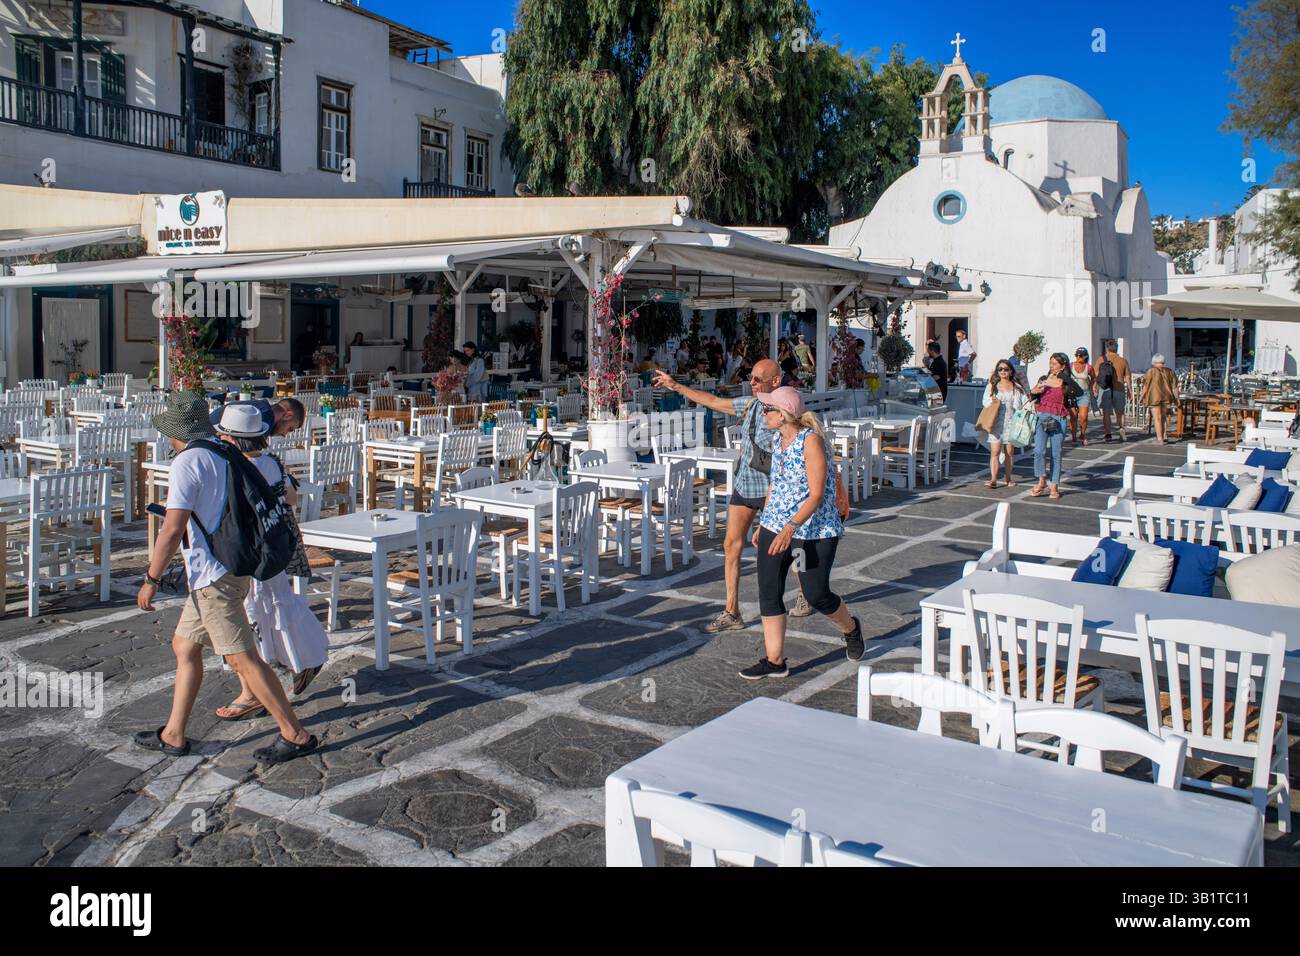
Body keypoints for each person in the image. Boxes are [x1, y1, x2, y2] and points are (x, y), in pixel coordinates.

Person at [134, 392, 317, 764]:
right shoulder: (222, 452)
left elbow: (172, 529)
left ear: (176, 432)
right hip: (223, 570)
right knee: (184, 647)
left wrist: (151, 578)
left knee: (242, 659)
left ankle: (295, 734)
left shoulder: (188, 461)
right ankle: (173, 734)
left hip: (214, 574)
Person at [653, 359, 819, 628]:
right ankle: (732, 611)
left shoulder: (785, 409)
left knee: (790, 545)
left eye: (757, 379)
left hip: (775, 490)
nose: (750, 383)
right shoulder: (752, 404)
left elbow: (801, 446)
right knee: (731, 545)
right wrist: (676, 387)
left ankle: (806, 593)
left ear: (776, 381)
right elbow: (714, 402)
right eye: (750, 377)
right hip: (746, 484)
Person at [210, 406, 328, 720]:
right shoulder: (272, 462)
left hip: (250, 551)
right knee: (276, 604)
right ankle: (302, 660)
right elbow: (290, 498)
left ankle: (255, 692)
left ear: (232, 438)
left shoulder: (235, 467)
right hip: (274, 548)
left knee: (251, 613)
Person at [742, 387, 862, 678]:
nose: (764, 414)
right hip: (776, 524)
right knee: (769, 591)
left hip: (812, 530)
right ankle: (774, 661)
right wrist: (764, 522)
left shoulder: (811, 442)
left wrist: (790, 528)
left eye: (768, 410)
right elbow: (776, 485)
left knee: (816, 593)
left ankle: (851, 628)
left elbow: (817, 494)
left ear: (783, 414)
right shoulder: (777, 440)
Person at [1029, 352, 1080, 500]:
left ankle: (1055, 485)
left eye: (1054, 364)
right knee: (1038, 450)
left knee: (1055, 453)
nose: (1051, 366)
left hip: (1059, 417)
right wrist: (1033, 392)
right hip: (1042, 416)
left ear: (1062, 366)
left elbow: (1078, 391)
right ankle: (1042, 480)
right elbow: (1033, 395)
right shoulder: (1044, 379)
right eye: (1050, 363)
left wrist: (1063, 376)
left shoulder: (1065, 382)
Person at [982, 359, 1029, 488]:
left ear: (1010, 371)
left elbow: (1025, 402)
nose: (1003, 371)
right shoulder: (992, 385)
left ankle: (1008, 478)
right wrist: (992, 401)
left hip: (1011, 422)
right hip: (996, 422)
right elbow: (985, 401)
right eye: (1000, 369)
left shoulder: (1016, 387)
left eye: (1006, 369)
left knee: (1009, 452)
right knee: (995, 452)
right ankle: (993, 479)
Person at [208, 396, 305, 438]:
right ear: (288, 415)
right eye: (290, 429)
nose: (285, 434)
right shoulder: (264, 418)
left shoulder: (261, 407)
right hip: (207, 441)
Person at [1139, 353, 1179, 444]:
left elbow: (1146, 386)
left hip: (1154, 397)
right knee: (1163, 417)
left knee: (1157, 417)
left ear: (1153, 362)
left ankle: (1159, 438)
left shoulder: (1151, 371)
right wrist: (1177, 398)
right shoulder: (1170, 371)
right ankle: (1164, 435)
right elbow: (1175, 387)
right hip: (1166, 396)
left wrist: (1141, 397)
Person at [1097, 338, 1131, 442]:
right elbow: (1128, 378)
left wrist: (1094, 387)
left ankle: (1108, 434)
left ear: (1107, 348)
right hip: (1119, 389)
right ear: (1116, 348)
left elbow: (1096, 374)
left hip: (1105, 389)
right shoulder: (1123, 361)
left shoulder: (1101, 359)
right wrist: (1129, 390)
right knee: (1120, 412)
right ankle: (1121, 429)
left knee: (1106, 413)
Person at [1068, 347, 1097, 446]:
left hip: (1084, 393)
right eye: (1076, 355)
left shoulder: (1089, 367)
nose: (1078, 357)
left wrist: (1091, 387)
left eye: (1080, 355)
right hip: (1072, 394)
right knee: (1073, 416)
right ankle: (1073, 437)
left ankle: (1083, 434)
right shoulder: (1070, 365)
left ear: (1085, 356)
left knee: (1083, 417)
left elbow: (1093, 378)